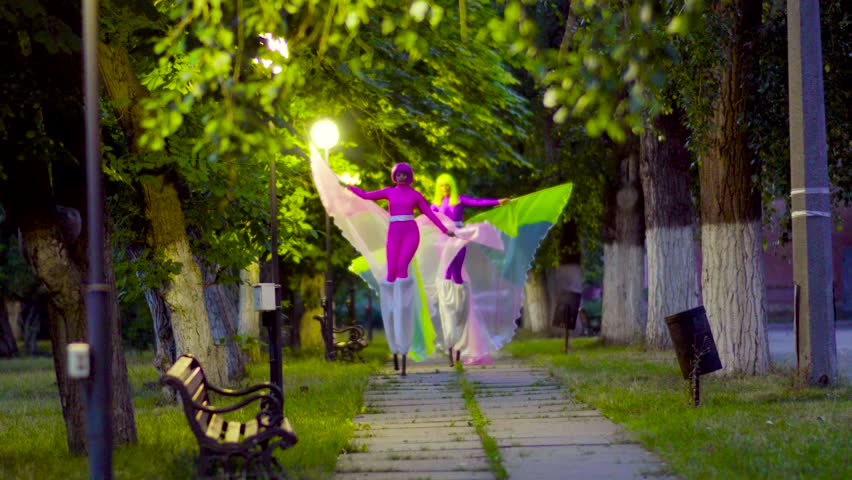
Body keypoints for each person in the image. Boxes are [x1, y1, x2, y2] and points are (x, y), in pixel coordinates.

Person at [347, 163, 455, 375]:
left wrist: (445, 229)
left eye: (405, 174)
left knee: (403, 269)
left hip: (410, 232)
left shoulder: (415, 194)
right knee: (391, 272)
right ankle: (393, 306)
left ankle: (404, 304)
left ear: (410, 176)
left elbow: (429, 214)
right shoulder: (388, 192)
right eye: (399, 174)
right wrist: (349, 188)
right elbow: (367, 196)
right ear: (395, 176)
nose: (402, 177)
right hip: (394, 232)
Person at [430, 173, 509, 366]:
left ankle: (459, 294)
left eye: (447, 185)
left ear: (452, 186)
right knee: (446, 272)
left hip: (458, 238)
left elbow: (478, 202)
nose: (444, 189)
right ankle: (450, 297)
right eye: (441, 186)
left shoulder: (460, 200)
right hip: (443, 240)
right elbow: (426, 217)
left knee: (457, 272)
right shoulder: (434, 205)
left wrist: (498, 201)